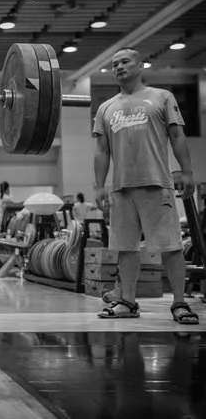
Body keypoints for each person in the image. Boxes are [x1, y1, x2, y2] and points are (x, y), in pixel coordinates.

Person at [93, 47, 198, 324]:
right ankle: (127, 301)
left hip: (156, 183)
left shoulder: (161, 97)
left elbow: (177, 136)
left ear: (141, 65)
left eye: (125, 62)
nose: (118, 67)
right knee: (125, 248)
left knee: (171, 246)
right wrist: (98, 186)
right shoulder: (106, 107)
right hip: (121, 189)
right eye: (114, 64)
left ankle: (179, 303)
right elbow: (102, 151)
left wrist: (187, 172)